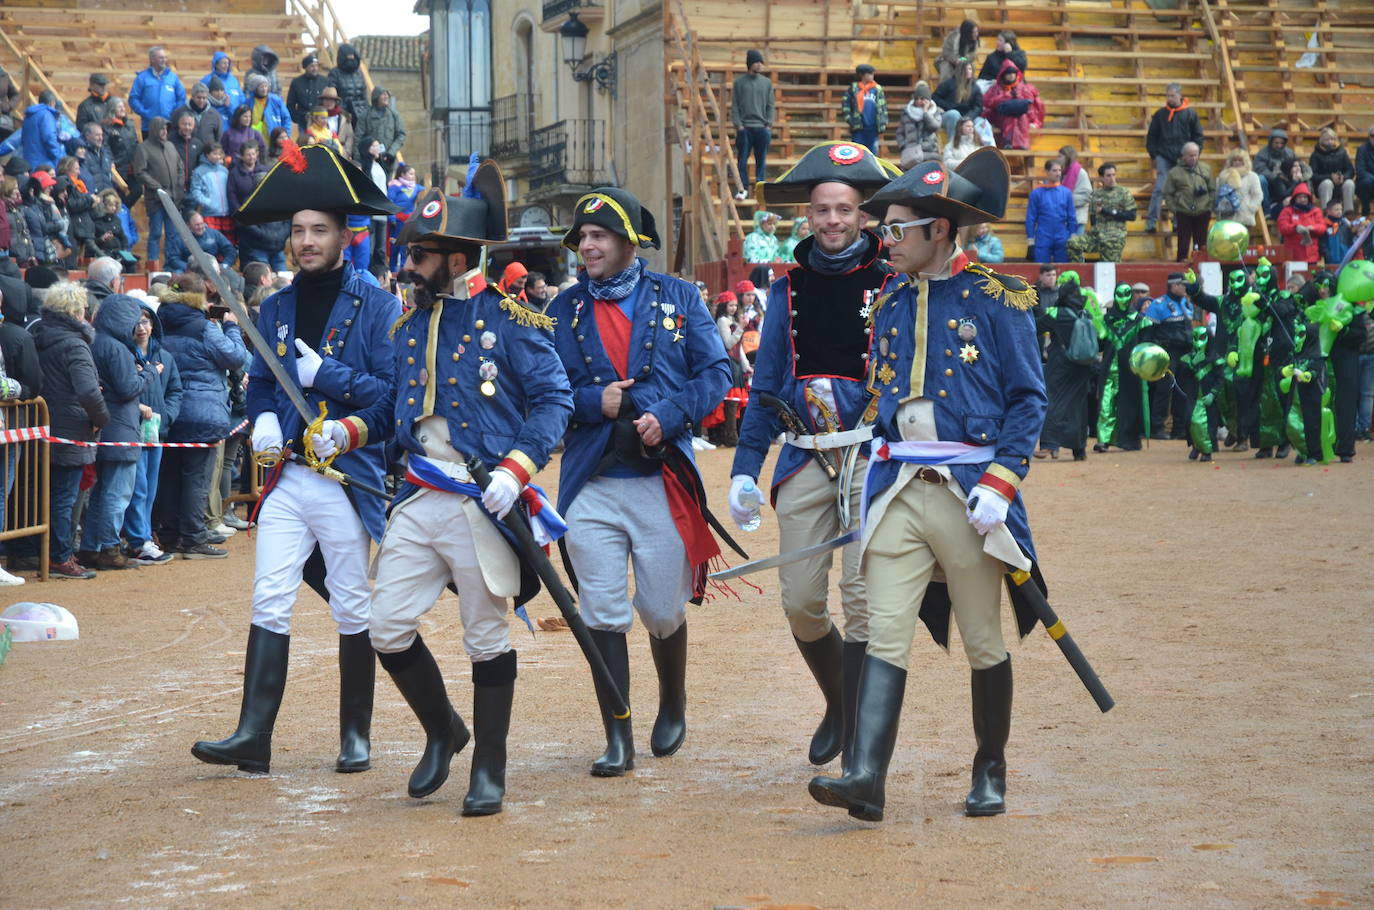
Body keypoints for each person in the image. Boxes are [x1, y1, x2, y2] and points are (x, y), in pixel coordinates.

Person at [808, 149, 1048, 822]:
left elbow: (1029, 400)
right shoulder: (887, 297)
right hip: (895, 485)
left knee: (981, 638)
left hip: (967, 489)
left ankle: (989, 766)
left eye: (897, 228)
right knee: (883, 630)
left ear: (937, 231)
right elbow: (882, 392)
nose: (885, 239)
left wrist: (1001, 482)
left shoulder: (1000, 299)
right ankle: (865, 778)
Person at [192, 141, 400, 777]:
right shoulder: (276, 306)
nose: (305, 241)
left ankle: (355, 736)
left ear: (344, 235)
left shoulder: (380, 305)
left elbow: (390, 398)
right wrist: (259, 421)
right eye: (298, 231)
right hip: (287, 476)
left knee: (350, 604)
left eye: (318, 230)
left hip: (347, 477)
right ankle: (254, 735)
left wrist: (329, 376)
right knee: (269, 596)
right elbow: (260, 381)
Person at [371, 164, 571, 814]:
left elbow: (552, 401)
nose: (411, 265)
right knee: (386, 626)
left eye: (422, 255)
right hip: (417, 497)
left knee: (486, 634)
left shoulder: (512, 319)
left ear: (457, 258)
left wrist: (517, 468)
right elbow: (390, 410)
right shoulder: (405, 329)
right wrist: (346, 429)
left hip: (485, 497)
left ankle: (490, 765)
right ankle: (443, 731)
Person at [546, 187, 731, 777]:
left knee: (659, 608)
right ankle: (617, 732)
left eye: (599, 236)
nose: (587, 247)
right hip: (591, 481)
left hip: (659, 478)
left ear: (629, 243)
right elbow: (542, 391)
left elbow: (717, 371)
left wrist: (672, 415)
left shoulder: (678, 297)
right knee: (601, 609)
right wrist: (588, 401)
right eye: (582, 238)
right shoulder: (561, 311)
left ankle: (672, 700)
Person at [727, 142, 898, 769]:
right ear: (808, 216)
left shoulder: (892, 278)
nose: (832, 221)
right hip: (803, 457)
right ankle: (838, 701)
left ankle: (857, 736)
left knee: (861, 600)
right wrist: (745, 468)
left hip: (871, 459)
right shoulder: (787, 285)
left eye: (844, 209)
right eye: (822, 210)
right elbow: (768, 381)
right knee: (801, 602)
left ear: (863, 215)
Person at [30, 281, 107, 579]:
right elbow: (88, 391)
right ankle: (60, 557)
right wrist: (101, 418)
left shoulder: (36, 333)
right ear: (77, 310)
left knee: (42, 494)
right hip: (71, 429)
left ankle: (42, 553)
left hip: (41, 424)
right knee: (64, 497)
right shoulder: (75, 343)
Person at [74, 293, 153, 570]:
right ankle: (108, 548)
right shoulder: (117, 347)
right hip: (120, 428)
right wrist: (150, 373)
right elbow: (128, 388)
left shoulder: (97, 341)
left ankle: (91, 548)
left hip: (106, 428)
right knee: (116, 493)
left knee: (102, 492)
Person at [121, 298, 181, 565]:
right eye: (136, 322)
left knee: (150, 487)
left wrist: (166, 416)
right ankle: (139, 539)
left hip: (157, 431)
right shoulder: (124, 354)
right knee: (138, 488)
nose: (141, 327)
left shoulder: (164, 357)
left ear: (153, 324)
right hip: (132, 430)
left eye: (145, 321)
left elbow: (175, 391)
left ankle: (143, 536)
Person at [1035, 272, 1095, 460]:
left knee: (1053, 402)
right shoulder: (1085, 313)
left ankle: (1049, 445)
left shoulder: (1056, 313)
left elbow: (1035, 327)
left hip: (1060, 365)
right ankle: (1079, 450)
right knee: (1078, 407)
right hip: (1083, 366)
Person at [1093, 283, 1149, 452]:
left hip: (1131, 371)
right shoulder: (1106, 320)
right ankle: (1104, 439)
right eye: (1119, 294)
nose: (1123, 298)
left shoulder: (1140, 321)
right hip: (1109, 369)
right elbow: (1099, 346)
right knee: (1105, 403)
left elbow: (1147, 345)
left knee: (1130, 405)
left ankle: (1128, 439)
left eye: (1126, 294)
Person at [1144, 83, 1204, 233]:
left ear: (1179, 95)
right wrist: (1154, 154)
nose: (1169, 98)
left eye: (1172, 95)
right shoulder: (1160, 114)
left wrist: (1194, 154)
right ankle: (1151, 221)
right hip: (1164, 155)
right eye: (1168, 96)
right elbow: (1152, 136)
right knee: (1160, 188)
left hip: (1182, 157)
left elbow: (1198, 136)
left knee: (1180, 190)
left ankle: (1178, 222)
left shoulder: (1190, 114)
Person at [1143, 273, 1194, 438]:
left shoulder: (1186, 303)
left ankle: (1179, 428)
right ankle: (1157, 428)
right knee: (1163, 390)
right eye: (1183, 285)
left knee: (1183, 391)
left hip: (1185, 353)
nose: (1185, 288)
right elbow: (1148, 334)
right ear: (1174, 285)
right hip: (1166, 352)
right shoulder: (1158, 305)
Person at [1067, 162, 1136, 263]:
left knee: (1107, 265)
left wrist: (1108, 212)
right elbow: (1093, 216)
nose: (1112, 178)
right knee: (1073, 243)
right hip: (1097, 235)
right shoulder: (1096, 194)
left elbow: (1132, 215)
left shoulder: (1123, 192)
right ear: (1101, 178)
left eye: (1113, 175)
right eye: (1108, 175)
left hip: (1114, 236)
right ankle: (1080, 271)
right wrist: (1095, 228)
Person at [730, 50, 774, 198]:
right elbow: (735, 105)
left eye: (761, 62)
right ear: (750, 64)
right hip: (745, 128)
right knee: (742, 160)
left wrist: (768, 124)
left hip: (762, 128)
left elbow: (770, 105)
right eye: (757, 62)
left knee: (761, 160)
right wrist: (738, 125)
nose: (760, 65)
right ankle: (742, 189)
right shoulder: (739, 83)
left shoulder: (767, 83)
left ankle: (760, 188)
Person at [1163, 142, 1213, 261]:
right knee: (1183, 240)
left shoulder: (1206, 169)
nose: (1193, 158)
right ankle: (1182, 261)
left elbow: (1212, 189)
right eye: (1190, 155)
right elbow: (1168, 193)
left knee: (1201, 241)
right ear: (1184, 156)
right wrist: (1174, 209)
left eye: (1196, 155)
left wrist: (1209, 205)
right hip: (1183, 211)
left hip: (1203, 210)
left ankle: (1200, 261)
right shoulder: (1174, 172)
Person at [981, 60, 1042, 151]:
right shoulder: (996, 88)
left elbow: (1030, 105)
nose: (1011, 75)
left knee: (1021, 117)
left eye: (1013, 73)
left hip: (1021, 115)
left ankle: (1022, 144)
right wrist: (1005, 97)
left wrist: (1034, 121)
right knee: (1009, 117)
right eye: (1009, 73)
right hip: (1000, 116)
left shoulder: (1023, 88)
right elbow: (988, 102)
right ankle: (1008, 141)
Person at [1025, 157, 1075, 263]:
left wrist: (1072, 235)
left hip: (1062, 236)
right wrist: (1030, 240)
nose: (1058, 173)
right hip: (1043, 236)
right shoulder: (1036, 193)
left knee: (1063, 270)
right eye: (1054, 170)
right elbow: (1031, 218)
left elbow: (1072, 216)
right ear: (1047, 172)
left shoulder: (1066, 193)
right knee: (1041, 268)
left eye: (1060, 170)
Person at [129, 47, 186, 137]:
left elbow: (181, 97)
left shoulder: (173, 77)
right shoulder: (142, 78)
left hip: (169, 126)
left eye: (165, 57)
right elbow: (133, 99)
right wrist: (145, 112)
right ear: (152, 59)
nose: (164, 60)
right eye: (161, 58)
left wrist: (174, 113)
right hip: (149, 126)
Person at [355, 87, 405, 172]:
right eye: (383, 94)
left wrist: (391, 153)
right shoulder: (366, 116)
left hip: (388, 160)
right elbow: (358, 137)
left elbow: (401, 135)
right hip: (370, 160)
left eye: (387, 95)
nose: (386, 97)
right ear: (376, 97)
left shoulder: (394, 115)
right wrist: (357, 159)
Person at [932, 60, 984, 142]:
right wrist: (948, 106)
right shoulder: (948, 84)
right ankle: (954, 146)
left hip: (968, 116)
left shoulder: (975, 88)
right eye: (965, 69)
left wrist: (968, 117)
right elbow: (935, 97)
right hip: (949, 114)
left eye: (970, 69)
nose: (968, 71)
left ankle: (985, 149)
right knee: (954, 115)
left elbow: (978, 107)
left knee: (982, 123)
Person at [842, 65, 888, 154]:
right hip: (858, 127)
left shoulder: (877, 89)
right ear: (862, 75)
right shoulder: (854, 88)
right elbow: (846, 104)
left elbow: (883, 107)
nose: (872, 76)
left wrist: (883, 122)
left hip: (873, 127)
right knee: (857, 152)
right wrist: (849, 119)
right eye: (869, 74)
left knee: (873, 153)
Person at [1277, 182, 1326, 265]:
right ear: (1295, 198)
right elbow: (1283, 227)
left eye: (1305, 197)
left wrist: (1313, 228)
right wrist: (1295, 228)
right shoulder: (1287, 211)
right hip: (1293, 256)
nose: (1302, 199)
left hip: (1311, 255)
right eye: (1300, 197)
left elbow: (1322, 227)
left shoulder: (1316, 211)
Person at [187, 144, 232, 235]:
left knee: (227, 243)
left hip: (226, 213)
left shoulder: (224, 170)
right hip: (209, 214)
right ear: (207, 154)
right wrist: (208, 203)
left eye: (219, 154)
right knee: (212, 242)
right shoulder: (199, 171)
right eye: (214, 154)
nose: (218, 156)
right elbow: (195, 191)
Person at [894, 83, 939, 170]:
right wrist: (903, 146)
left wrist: (926, 113)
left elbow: (935, 126)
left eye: (922, 99)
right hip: (911, 153)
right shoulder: (907, 113)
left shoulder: (936, 112)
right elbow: (899, 132)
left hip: (929, 152)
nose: (919, 101)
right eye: (916, 99)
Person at [1310, 127, 1356, 213]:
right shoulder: (1315, 155)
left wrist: (1343, 177)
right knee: (1327, 183)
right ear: (1321, 140)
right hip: (1323, 186)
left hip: (1340, 183)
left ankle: (1348, 212)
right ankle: (1327, 212)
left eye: (1332, 139)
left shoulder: (1342, 152)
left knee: (1349, 183)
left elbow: (1350, 170)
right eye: (1326, 139)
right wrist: (1330, 177)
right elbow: (1313, 175)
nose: (1330, 142)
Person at [1216, 148, 1264, 231]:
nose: (1237, 162)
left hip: (1244, 217)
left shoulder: (1252, 176)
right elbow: (1217, 194)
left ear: (1245, 161)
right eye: (1235, 160)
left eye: (1240, 160)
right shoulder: (1223, 176)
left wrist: (1250, 208)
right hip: (1226, 217)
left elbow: (1258, 195)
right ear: (1231, 162)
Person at [386, 163, 421, 272]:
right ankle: (393, 271)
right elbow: (389, 202)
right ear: (403, 174)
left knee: (406, 247)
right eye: (411, 174)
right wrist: (391, 218)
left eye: (414, 174)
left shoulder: (416, 187)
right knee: (395, 247)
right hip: (396, 221)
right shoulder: (395, 186)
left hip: (409, 222)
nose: (413, 176)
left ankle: (404, 271)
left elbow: (425, 197)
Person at [1254, 127, 1297, 213]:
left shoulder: (1290, 153)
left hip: (1285, 181)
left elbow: (1297, 165)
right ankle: (1266, 210)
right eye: (1276, 143)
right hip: (1269, 182)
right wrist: (1274, 177)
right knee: (1261, 179)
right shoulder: (1262, 154)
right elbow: (1260, 169)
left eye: (1281, 143)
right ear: (1271, 142)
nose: (1279, 145)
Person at [171, 83, 224, 150]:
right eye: (198, 97)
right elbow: (172, 133)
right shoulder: (179, 113)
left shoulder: (215, 114)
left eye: (204, 98)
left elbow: (219, 137)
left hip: (207, 154)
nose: (201, 100)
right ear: (192, 96)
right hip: (186, 152)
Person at [245, 74, 291, 150]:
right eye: (261, 87)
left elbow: (286, 118)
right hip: (256, 139)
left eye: (266, 86)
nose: (264, 89)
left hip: (275, 140)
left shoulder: (276, 100)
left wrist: (286, 136)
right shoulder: (248, 102)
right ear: (255, 88)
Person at [20, 91, 63, 171]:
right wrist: (57, 154)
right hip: (44, 163)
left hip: (29, 160)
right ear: (52, 103)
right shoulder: (46, 115)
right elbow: (49, 137)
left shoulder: (29, 115)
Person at [286, 54, 329, 131]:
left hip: (322, 122)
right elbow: (290, 103)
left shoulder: (325, 81)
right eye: (312, 66)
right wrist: (296, 118)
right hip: (303, 122)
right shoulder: (296, 82)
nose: (315, 68)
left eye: (316, 66)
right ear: (305, 67)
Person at [327, 44, 368, 123]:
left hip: (360, 113)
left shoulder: (359, 73)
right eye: (348, 56)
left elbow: (364, 94)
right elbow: (331, 95)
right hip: (342, 114)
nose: (351, 58)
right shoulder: (335, 73)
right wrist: (340, 111)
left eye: (352, 56)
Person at [168, 112, 204, 198]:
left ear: (193, 126)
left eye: (190, 124)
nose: (187, 127)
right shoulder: (170, 141)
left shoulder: (198, 143)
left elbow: (200, 164)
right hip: (174, 186)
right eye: (184, 124)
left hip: (192, 186)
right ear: (179, 124)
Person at [226, 140, 265, 214]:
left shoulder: (265, 170)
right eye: (248, 155)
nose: (251, 157)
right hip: (244, 214)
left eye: (253, 154)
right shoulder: (234, 173)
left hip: (263, 213)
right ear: (242, 156)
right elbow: (232, 196)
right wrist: (239, 213)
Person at [938, 19, 980, 84]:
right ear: (967, 32)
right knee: (946, 68)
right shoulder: (952, 37)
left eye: (977, 31)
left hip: (964, 62)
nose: (976, 34)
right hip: (948, 62)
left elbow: (972, 56)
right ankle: (945, 88)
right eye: (973, 32)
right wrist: (955, 60)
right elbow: (946, 53)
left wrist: (961, 59)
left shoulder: (974, 41)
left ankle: (968, 88)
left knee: (971, 67)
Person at [1355, 124, 1374, 217]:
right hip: (1367, 184)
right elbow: (1360, 170)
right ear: (1368, 137)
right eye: (1372, 136)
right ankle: (1365, 213)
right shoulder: (1362, 149)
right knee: (1366, 182)